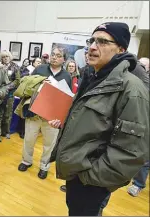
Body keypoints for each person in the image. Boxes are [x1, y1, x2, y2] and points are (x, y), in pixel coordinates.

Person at [49, 22, 149, 216]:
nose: (92, 47)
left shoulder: (132, 90)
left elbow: (131, 152)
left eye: (102, 41)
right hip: (77, 172)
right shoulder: (92, 77)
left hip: (92, 180)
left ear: (121, 49)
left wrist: (89, 177)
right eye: (92, 40)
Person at [18, 46, 71, 180]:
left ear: (63, 59)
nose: (54, 57)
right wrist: (40, 83)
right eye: (53, 54)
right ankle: (26, 161)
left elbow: (67, 99)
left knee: (49, 144)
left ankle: (44, 166)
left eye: (58, 55)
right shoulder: (40, 69)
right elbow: (26, 85)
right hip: (34, 112)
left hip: (52, 118)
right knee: (29, 139)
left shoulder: (66, 76)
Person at [0, 50, 20, 142]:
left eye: (7, 56)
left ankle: (6, 131)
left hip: (10, 93)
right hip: (0, 93)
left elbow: (17, 80)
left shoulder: (15, 66)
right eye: (3, 57)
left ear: (10, 57)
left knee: (8, 114)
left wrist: (7, 87)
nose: (5, 58)